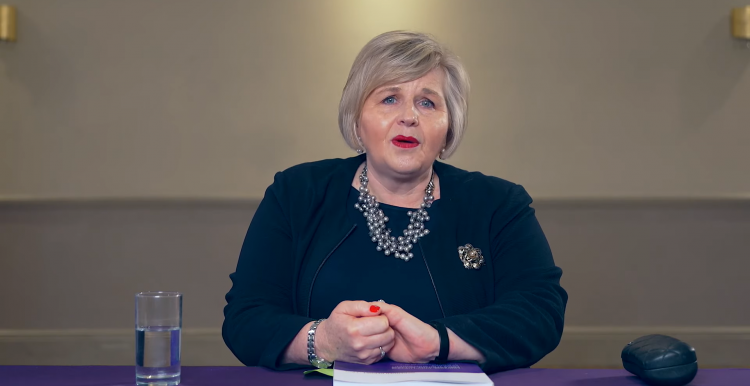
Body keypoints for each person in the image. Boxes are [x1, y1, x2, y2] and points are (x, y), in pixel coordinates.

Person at [222, 30, 567, 374]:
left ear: (449, 128)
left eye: (427, 102)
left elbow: (539, 312)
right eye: (389, 99)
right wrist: (323, 340)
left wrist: (437, 342)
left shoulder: (498, 204)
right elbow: (246, 317)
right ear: (357, 120)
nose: (409, 117)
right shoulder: (297, 193)